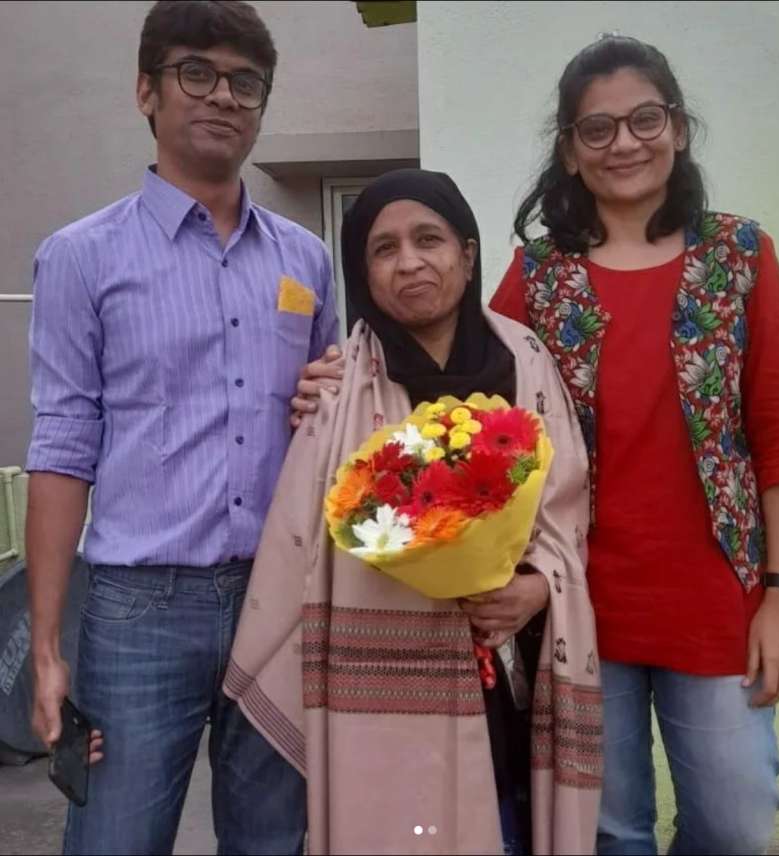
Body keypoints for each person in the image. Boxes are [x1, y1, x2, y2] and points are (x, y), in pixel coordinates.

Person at [26, 2, 337, 853]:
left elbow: (331, 423)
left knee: (273, 838)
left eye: (245, 82)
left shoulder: (305, 260)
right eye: (196, 72)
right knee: (116, 838)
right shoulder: (81, 256)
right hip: (139, 608)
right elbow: (60, 446)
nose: (223, 96)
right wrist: (46, 646)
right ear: (146, 92)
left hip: (278, 595)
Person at [489, 35, 779, 856]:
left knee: (737, 823)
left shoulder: (739, 256)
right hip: (579, 604)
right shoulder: (539, 277)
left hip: (714, 600)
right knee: (607, 832)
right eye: (596, 129)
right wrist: (353, 367)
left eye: (644, 119)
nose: (624, 142)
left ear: (678, 128)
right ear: (568, 150)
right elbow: (478, 412)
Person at [224, 168, 603, 855]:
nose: (410, 262)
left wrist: (534, 587)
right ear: (362, 273)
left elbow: (568, 505)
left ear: (465, 249)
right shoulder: (338, 390)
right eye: (384, 248)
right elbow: (301, 546)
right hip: (381, 686)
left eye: (428, 239)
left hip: (509, 670)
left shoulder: (527, 363)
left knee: (507, 825)